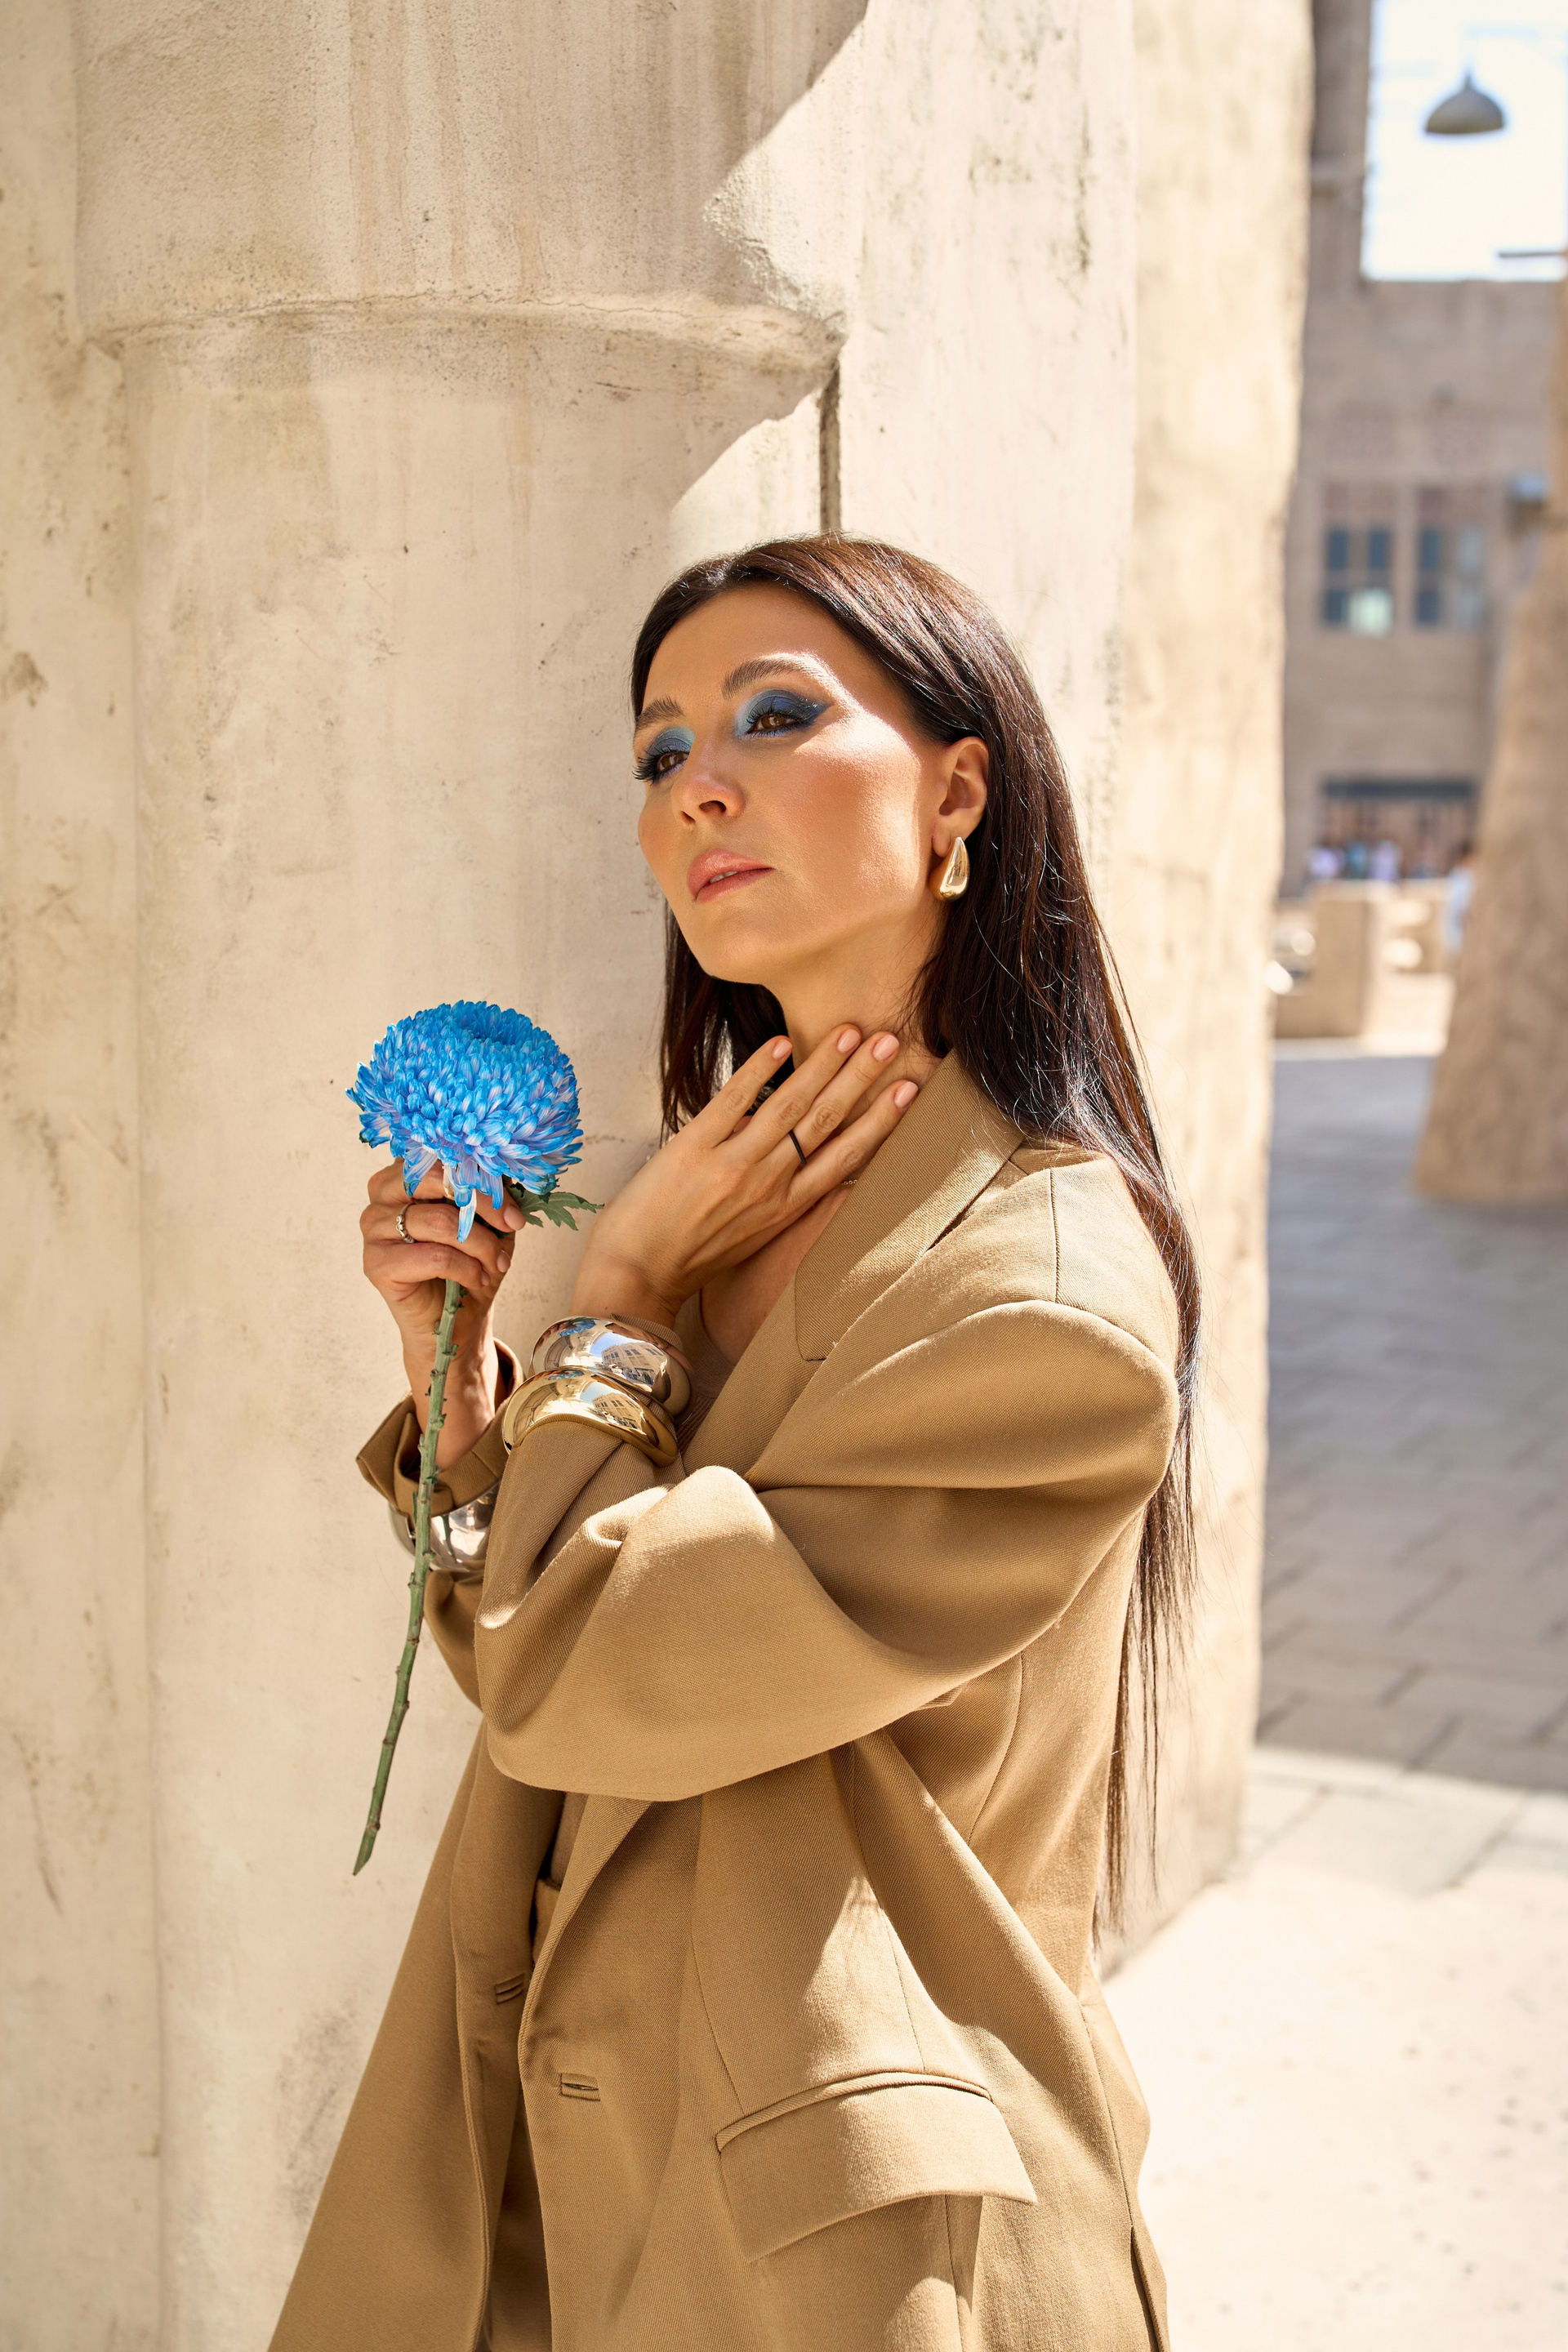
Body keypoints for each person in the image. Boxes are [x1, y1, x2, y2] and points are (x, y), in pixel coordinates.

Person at [272, 537, 1196, 2352]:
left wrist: (613, 1300)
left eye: (776, 717)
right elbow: (533, 1659)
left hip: (833, 2245)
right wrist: (461, 1401)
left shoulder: (1038, 1293)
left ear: (957, 798)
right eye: (661, 747)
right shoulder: (722, 1195)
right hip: (561, 2159)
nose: (698, 782)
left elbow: (594, 1678)